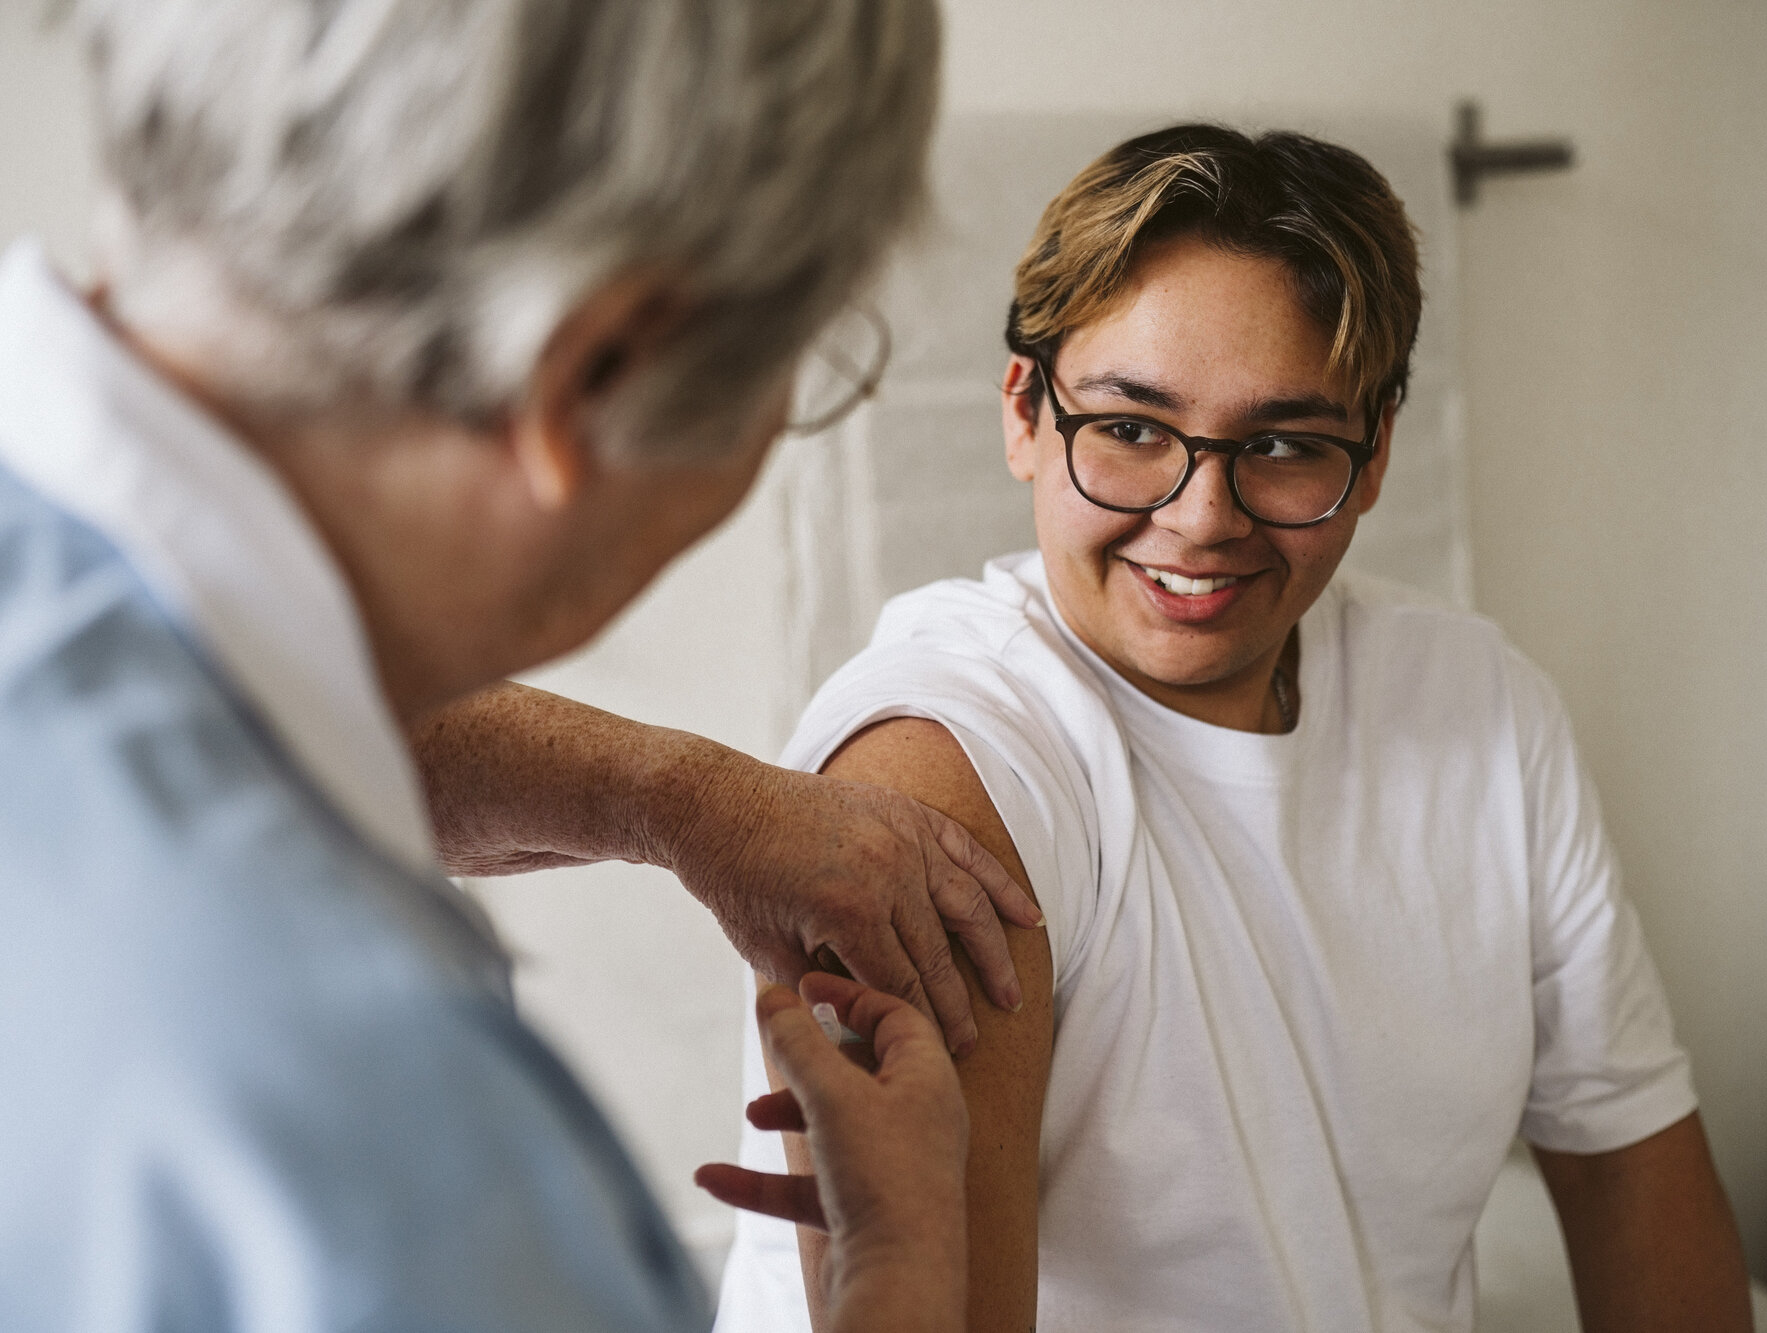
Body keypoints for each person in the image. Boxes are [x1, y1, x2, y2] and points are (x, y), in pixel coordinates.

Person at [0, 2, 1014, 1328]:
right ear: (596, 370)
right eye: (806, 359)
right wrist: (899, 1265)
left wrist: (669, 797)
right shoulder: (385, 1158)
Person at [715, 124, 1756, 1331]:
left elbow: (1629, 1164)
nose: (1200, 516)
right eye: (1130, 427)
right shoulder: (946, 753)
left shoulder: (1481, 708)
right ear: (1023, 414)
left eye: (1280, 446)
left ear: (1370, 460)